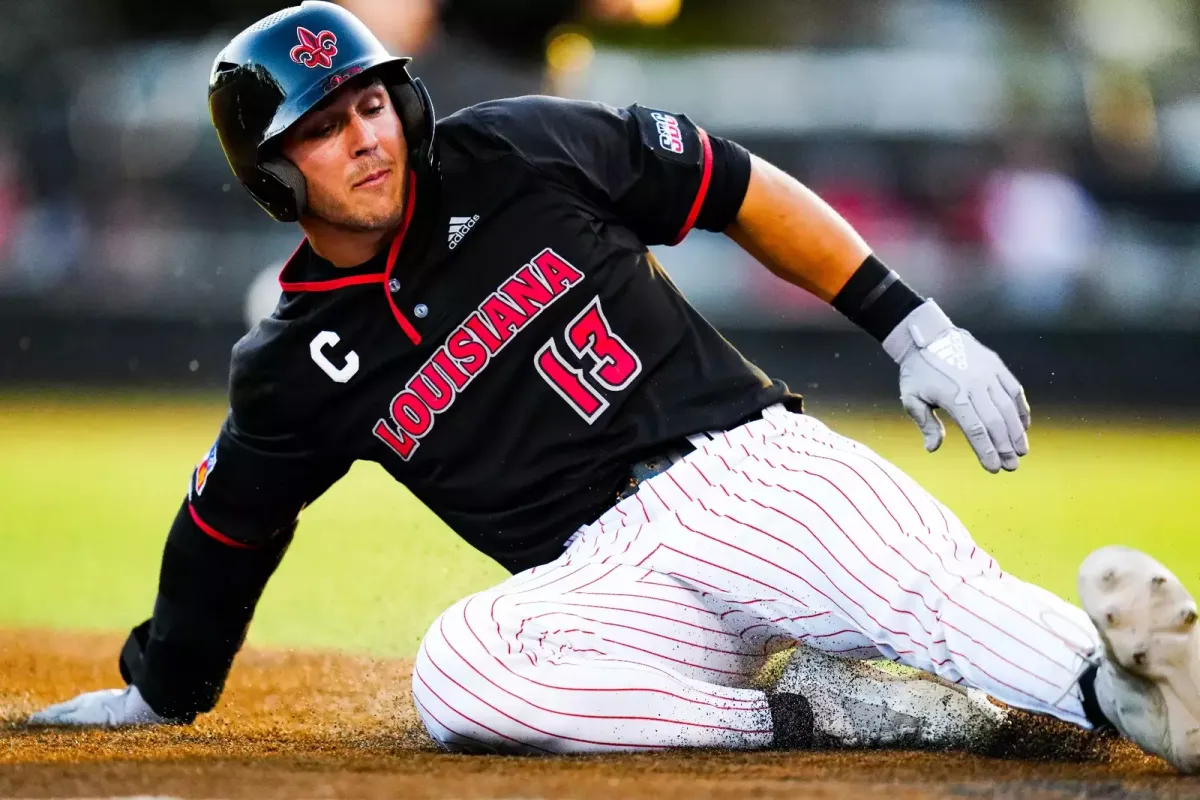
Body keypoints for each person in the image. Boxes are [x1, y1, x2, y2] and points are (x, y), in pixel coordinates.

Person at [28, 2, 1200, 771]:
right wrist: (161, 687)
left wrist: (911, 323)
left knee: (934, 599)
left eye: (372, 102)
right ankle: (817, 712)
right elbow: (229, 519)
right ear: (274, 172)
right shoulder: (295, 359)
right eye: (327, 127)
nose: (367, 136)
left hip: (745, 470)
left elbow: (734, 185)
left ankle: (1129, 689)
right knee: (461, 672)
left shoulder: (516, 150)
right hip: (609, 582)